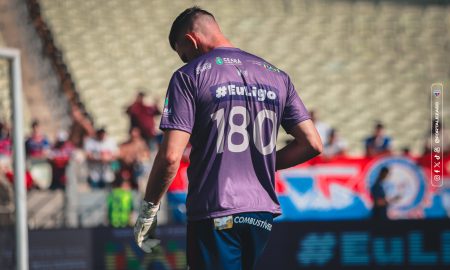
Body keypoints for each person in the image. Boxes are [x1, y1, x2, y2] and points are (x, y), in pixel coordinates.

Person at [133, 7, 322, 270]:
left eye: (184, 55)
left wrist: (148, 210)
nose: (186, 62)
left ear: (191, 40)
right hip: (261, 214)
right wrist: (260, 162)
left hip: (216, 208)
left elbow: (171, 156)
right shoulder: (276, 75)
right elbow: (312, 144)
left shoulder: (189, 76)